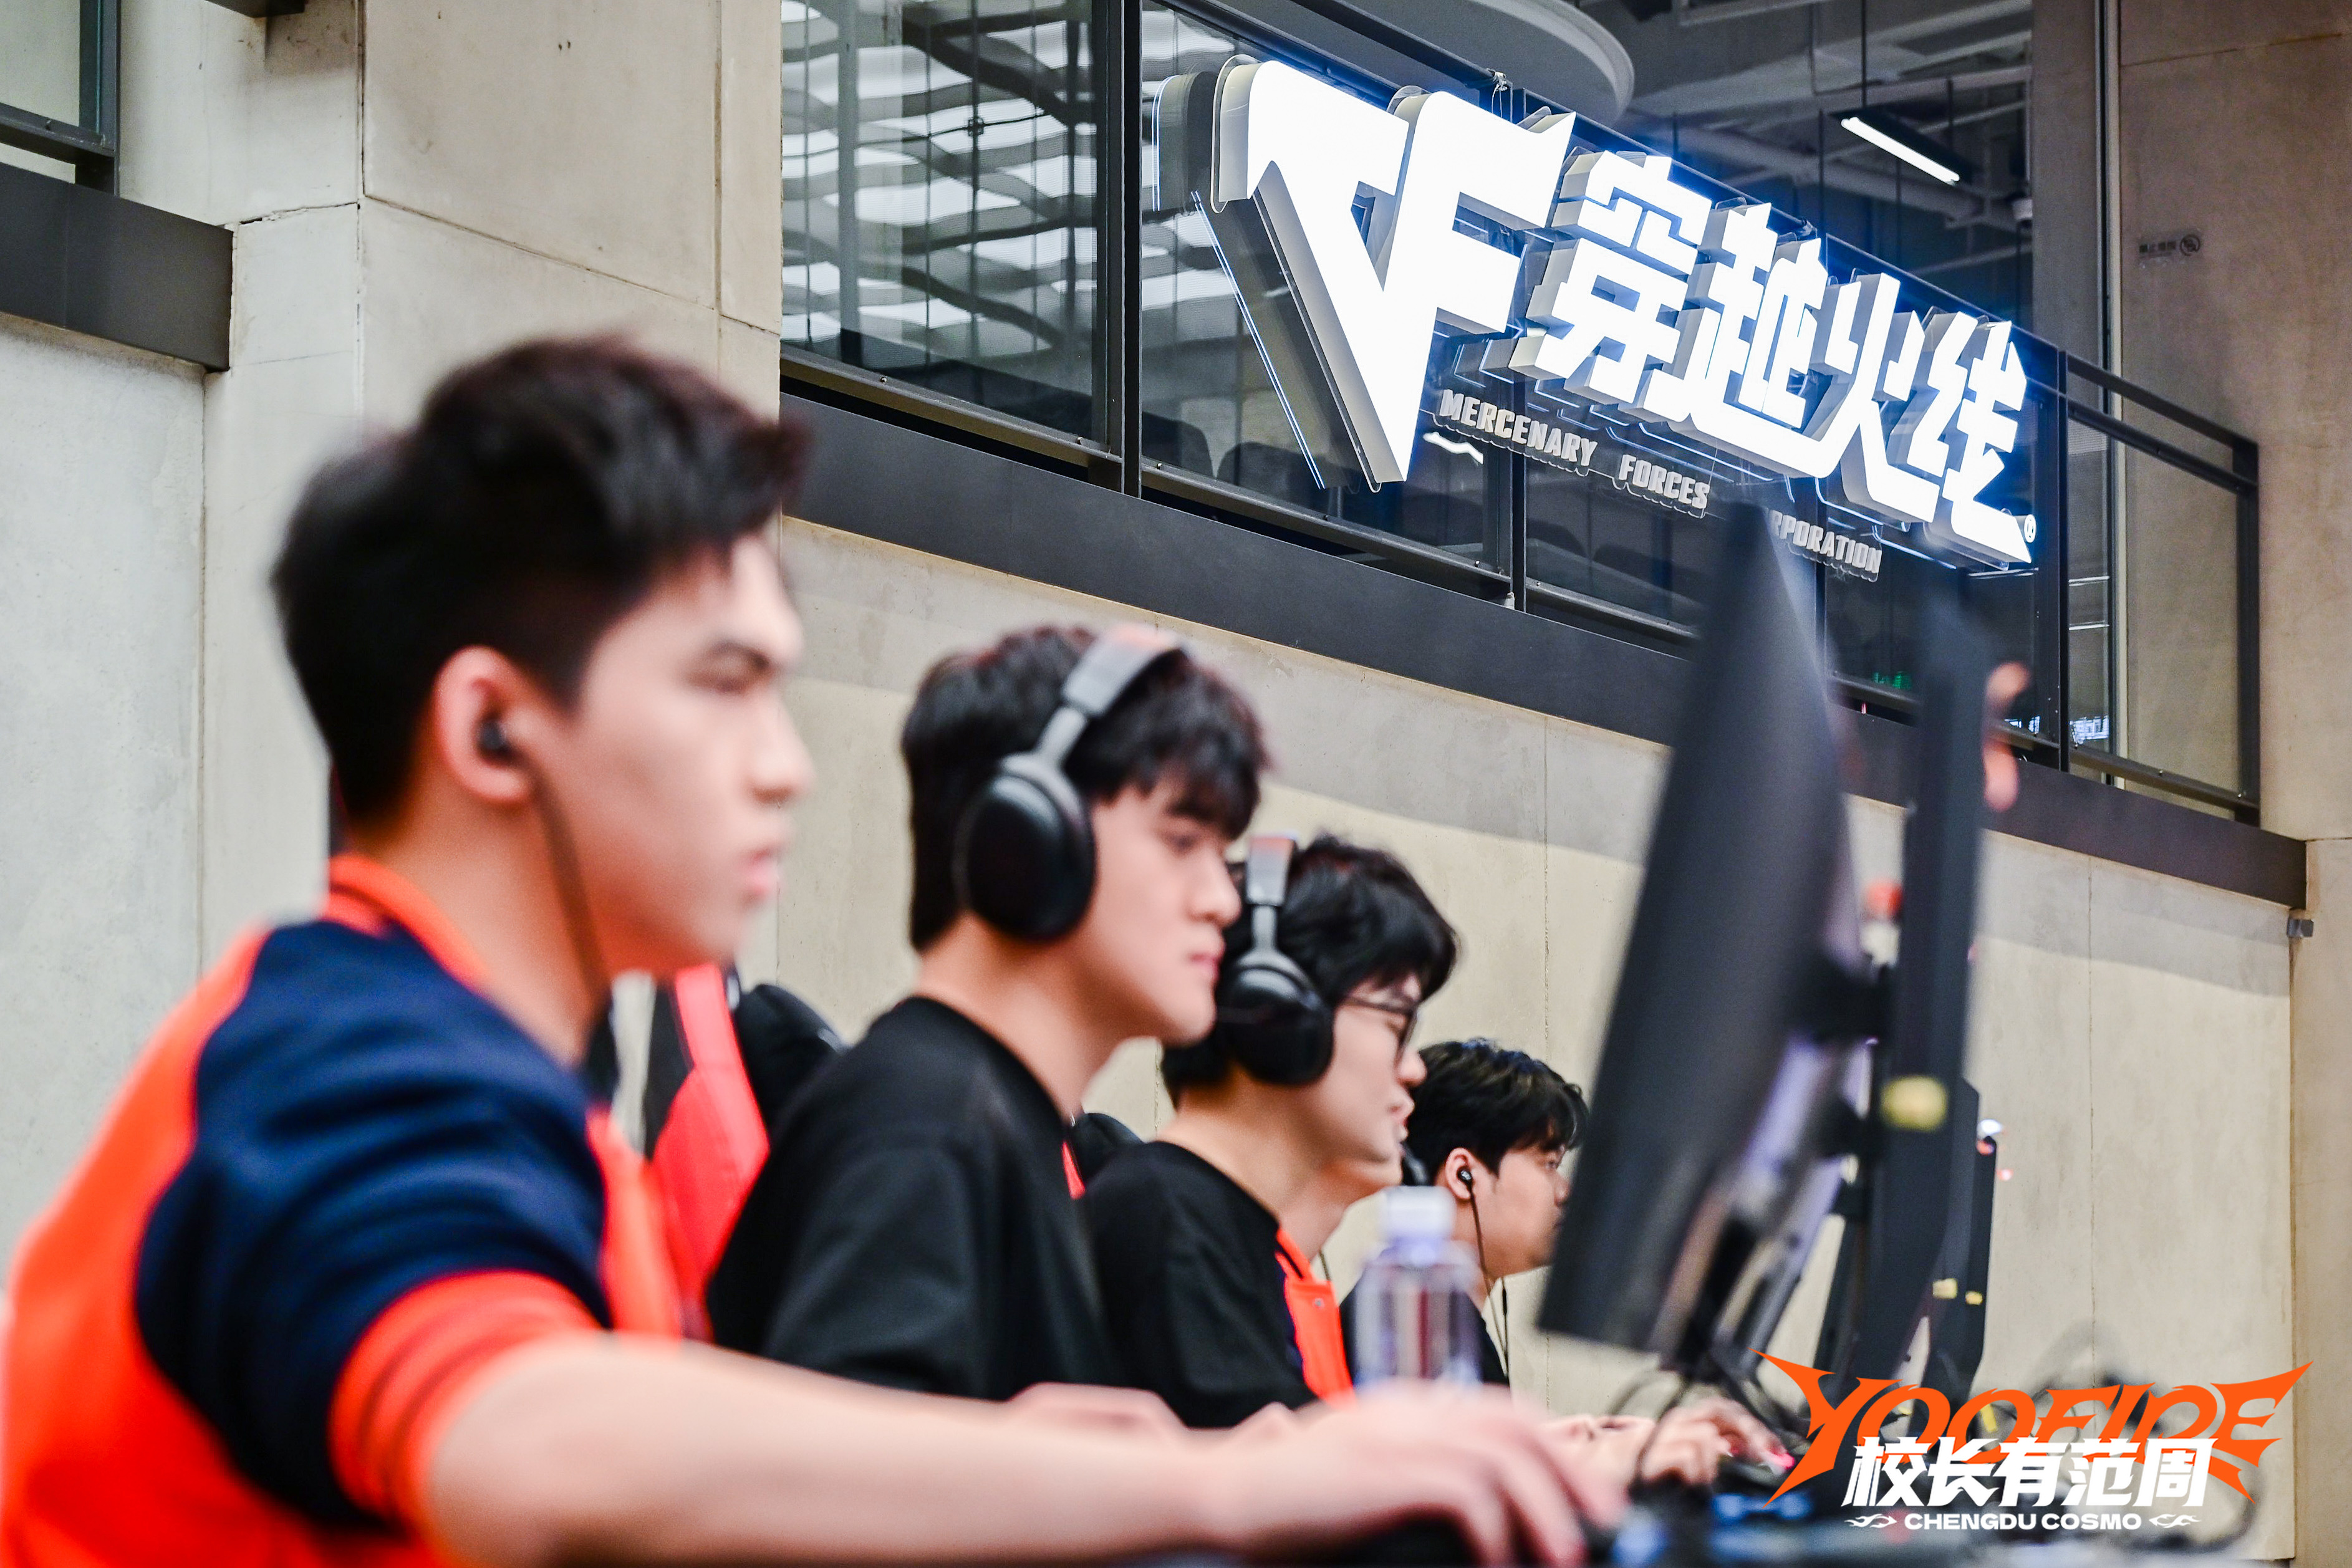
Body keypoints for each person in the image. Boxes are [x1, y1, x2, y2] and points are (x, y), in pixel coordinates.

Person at [0, 338, 1614, 1567]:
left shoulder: (496, 1085)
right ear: (492, 726)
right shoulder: (348, 1055)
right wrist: (1220, 1485)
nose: (783, 766)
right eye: (722, 687)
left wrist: (1058, 1459)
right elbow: (520, 1438)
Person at [1086, 834, 1455, 1428]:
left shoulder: (1211, 1224)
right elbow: (1274, 1473)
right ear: (1279, 1014)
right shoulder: (1168, 1226)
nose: (1413, 1068)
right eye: (1398, 1022)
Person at [1342, 1039, 1588, 1388]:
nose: (1565, 1192)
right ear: (1463, 1175)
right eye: (1549, 1164)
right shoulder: (1415, 1338)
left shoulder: (1419, 1322)